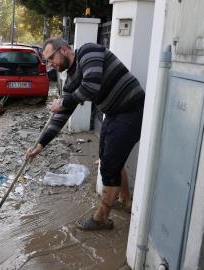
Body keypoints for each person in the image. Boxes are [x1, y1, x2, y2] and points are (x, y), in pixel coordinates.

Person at [25, 37, 144, 230]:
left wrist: (63, 102)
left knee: (109, 167)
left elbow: (91, 85)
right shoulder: (70, 80)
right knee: (108, 158)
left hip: (131, 109)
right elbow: (61, 116)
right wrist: (41, 144)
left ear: (64, 49)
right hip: (113, 113)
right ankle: (125, 200)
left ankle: (102, 219)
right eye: (47, 61)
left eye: (51, 58)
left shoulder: (88, 53)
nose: (50, 64)